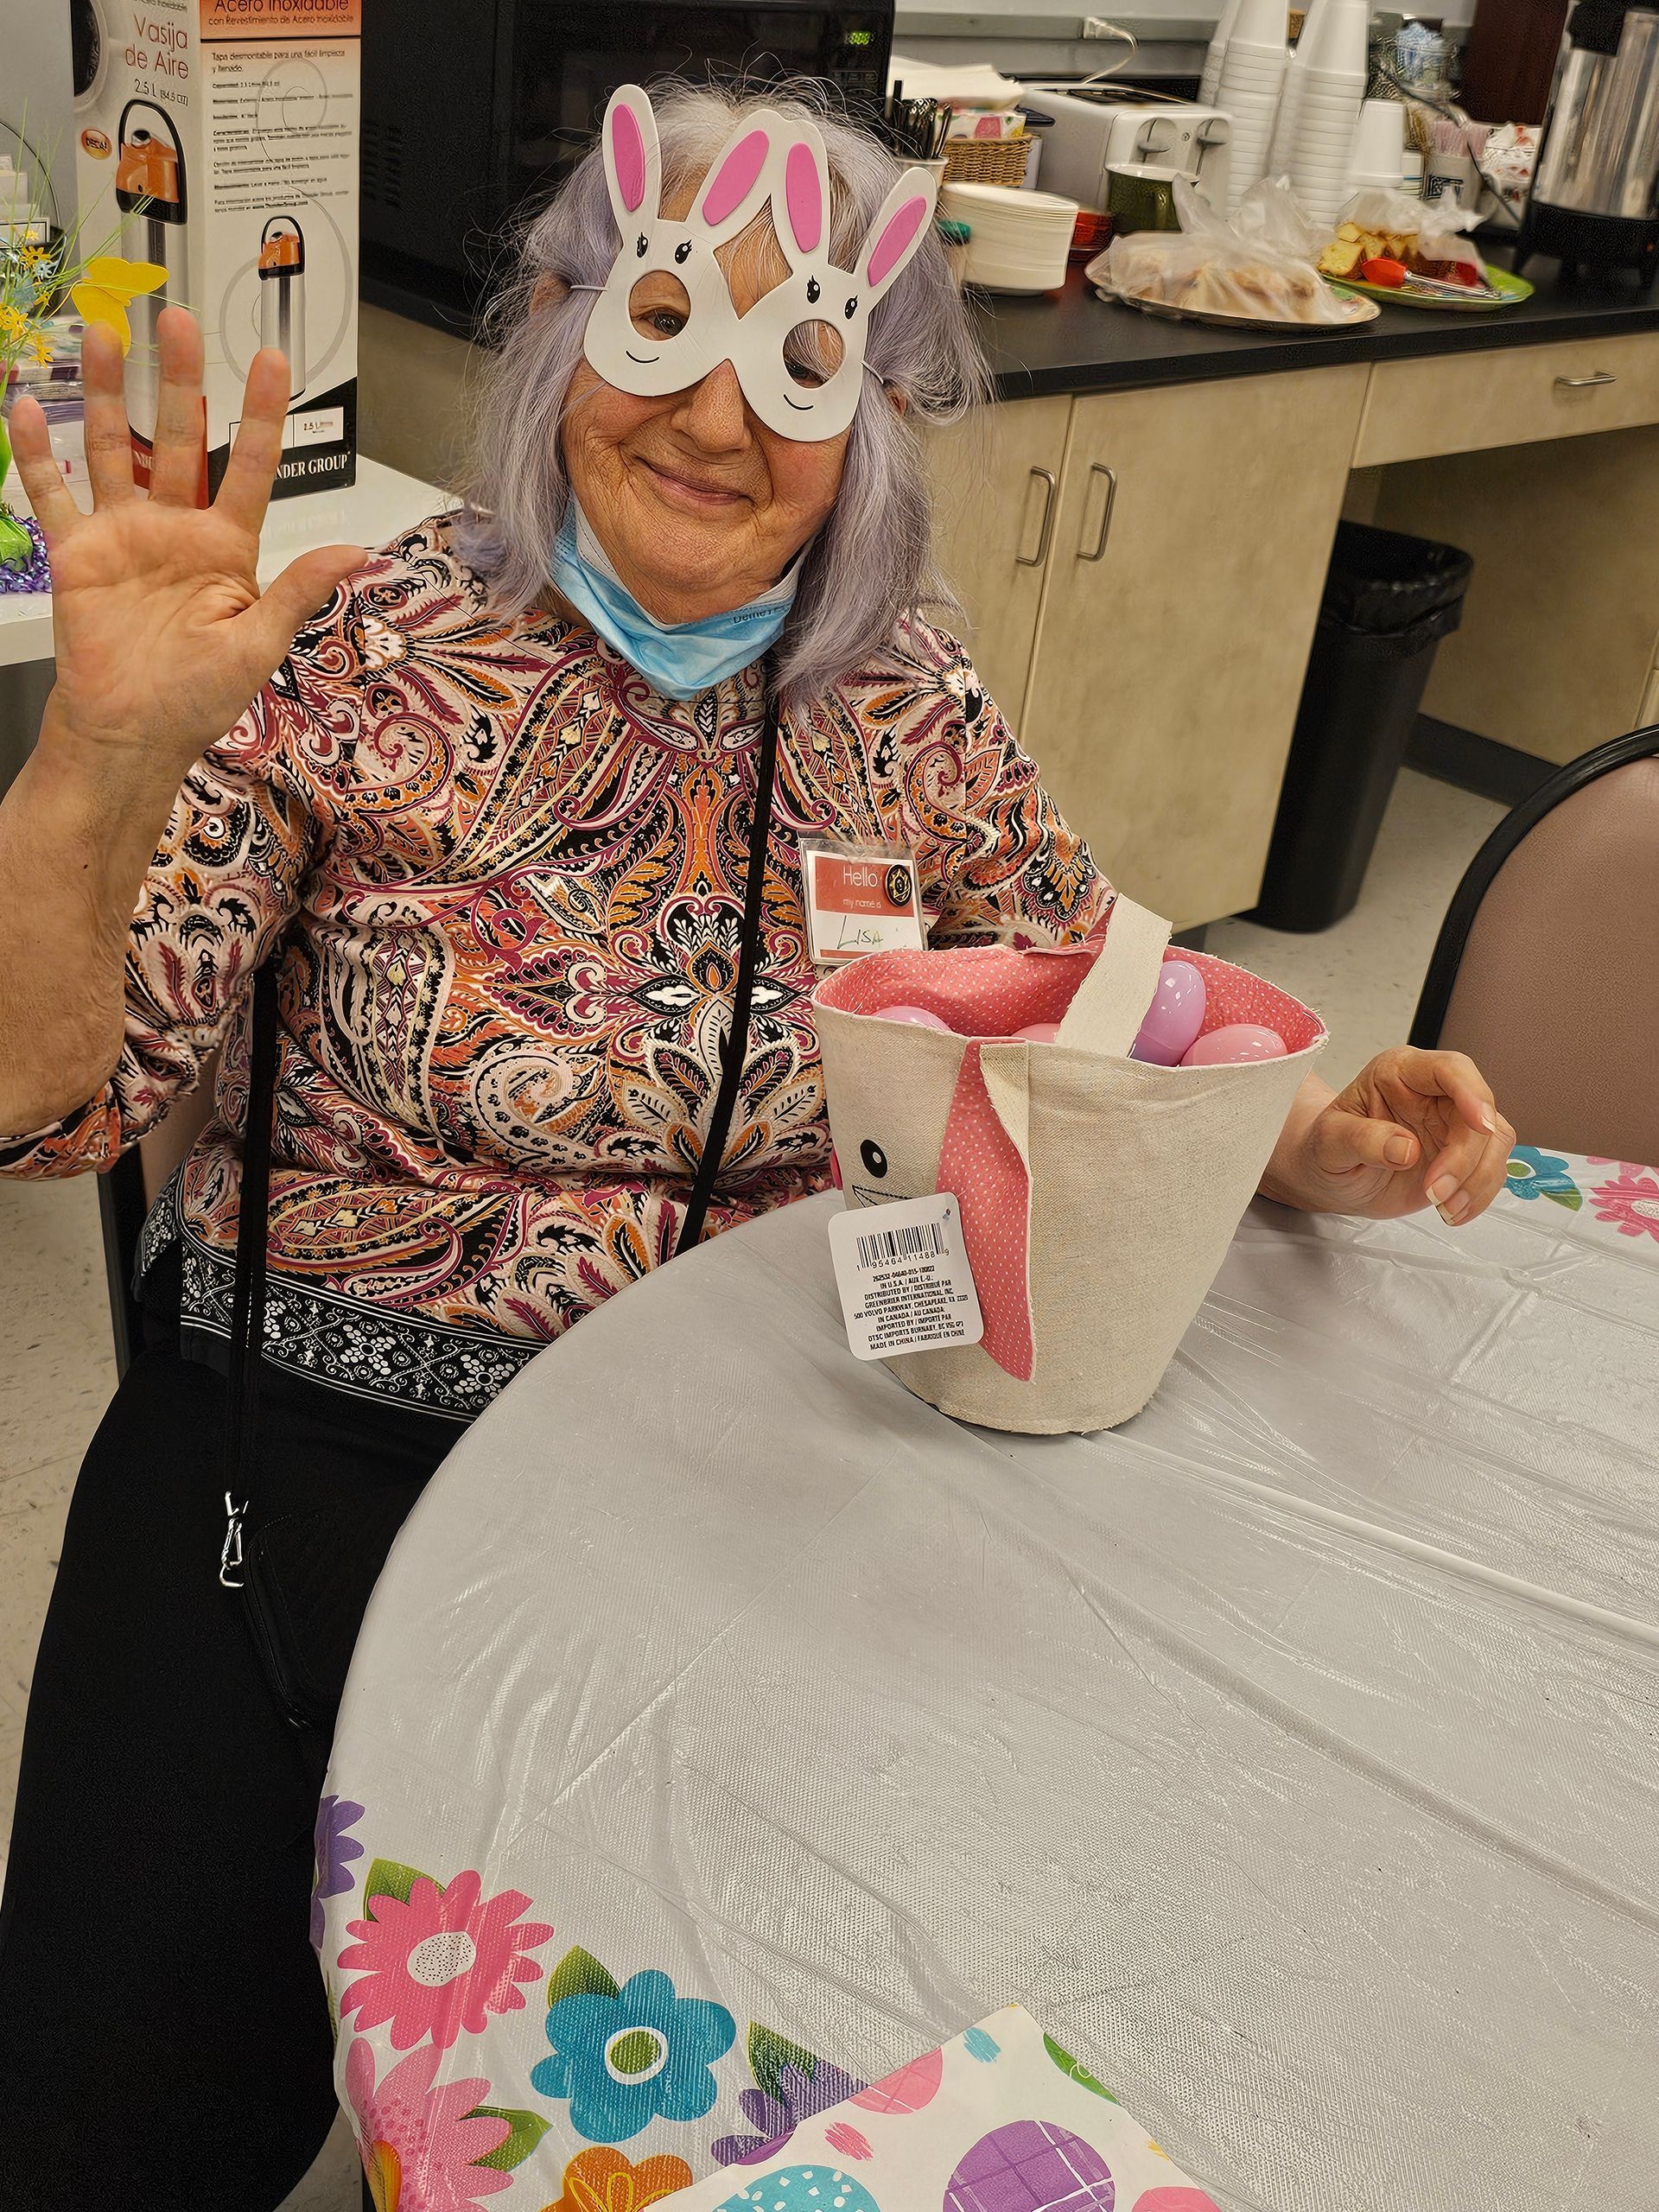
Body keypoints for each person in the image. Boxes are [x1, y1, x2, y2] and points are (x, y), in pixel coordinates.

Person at [0, 79, 1514, 2209]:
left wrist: (1296, 1125)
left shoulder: (902, 693)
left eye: (798, 356)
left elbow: (1098, 975)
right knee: (107, 2130)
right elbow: (50, 1102)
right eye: (663, 326)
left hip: (762, 1449)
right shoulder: (347, 641)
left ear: (873, 417)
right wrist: (92, 760)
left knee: (836, 2059)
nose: (716, 417)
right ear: (560, 332)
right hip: (311, 1449)